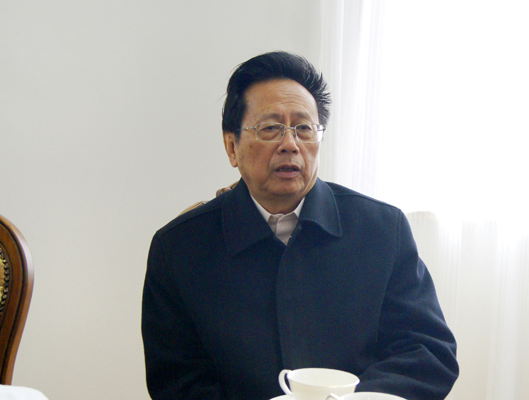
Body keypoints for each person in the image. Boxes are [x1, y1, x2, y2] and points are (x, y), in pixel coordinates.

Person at [141, 51, 458, 400]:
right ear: (232, 146)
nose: (290, 145)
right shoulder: (179, 249)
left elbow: (427, 351)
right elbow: (177, 380)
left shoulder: (382, 230)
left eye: (304, 128)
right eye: (270, 128)